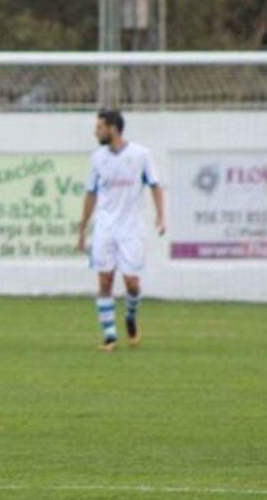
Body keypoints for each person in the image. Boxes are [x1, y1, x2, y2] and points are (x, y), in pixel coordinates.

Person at [77, 109, 165, 352]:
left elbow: (155, 186)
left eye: (99, 127)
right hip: (105, 227)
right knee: (104, 280)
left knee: (132, 284)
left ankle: (130, 316)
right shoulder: (97, 158)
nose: (96, 131)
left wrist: (160, 216)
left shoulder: (141, 155)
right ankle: (109, 336)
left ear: (113, 128)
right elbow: (91, 193)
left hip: (131, 229)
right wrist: (83, 227)